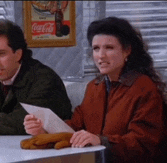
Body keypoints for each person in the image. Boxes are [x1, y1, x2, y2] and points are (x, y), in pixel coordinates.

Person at [24, 17, 167, 163]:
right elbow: (76, 126)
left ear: (127, 51)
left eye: (109, 48)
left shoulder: (145, 88)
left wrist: (101, 140)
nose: (101, 55)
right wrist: (43, 129)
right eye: (96, 48)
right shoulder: (94, 86)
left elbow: (143, 144)